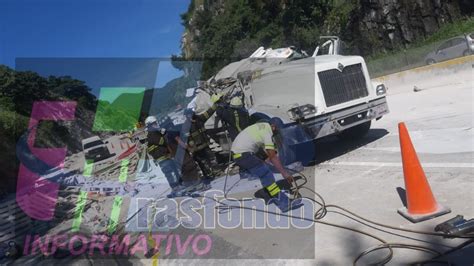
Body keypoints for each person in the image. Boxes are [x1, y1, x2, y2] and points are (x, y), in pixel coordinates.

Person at [230, 118, 302, 212]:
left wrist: (266, 159)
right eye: (277, 130)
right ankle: (284, 204)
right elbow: (273, 157)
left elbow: (262, 149)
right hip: (243, 155)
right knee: (266, 175)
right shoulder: (267, 132)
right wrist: (285, 174)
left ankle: (268, 196)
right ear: (273, 126)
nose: (277, 132)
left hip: (240, 153)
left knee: (264, 172)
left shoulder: (263, 127)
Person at [176, 96, 221, 181]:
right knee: (203, 162)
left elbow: (208, 112)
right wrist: (192, 149)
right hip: (196, 149)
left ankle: (216, 171)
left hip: (205, 144)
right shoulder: (186, 126)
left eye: (191, 114)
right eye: (189, 115)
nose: (191, 116)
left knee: (212, 158)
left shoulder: (199, 119)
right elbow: (187, 139)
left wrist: (216, 105)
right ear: (186, 116)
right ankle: (208, 175)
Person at [145, 116, 182, 194]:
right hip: (162, 158)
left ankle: (179, 186)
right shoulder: (152, 134)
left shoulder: (154, 133)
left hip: (165, 156)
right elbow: (163, 141)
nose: (156, 124)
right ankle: (176, 188)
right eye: (154, 123)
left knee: (174, 171)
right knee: (170, 173)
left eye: (156, 123)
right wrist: (165, 133)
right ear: (150, 125)